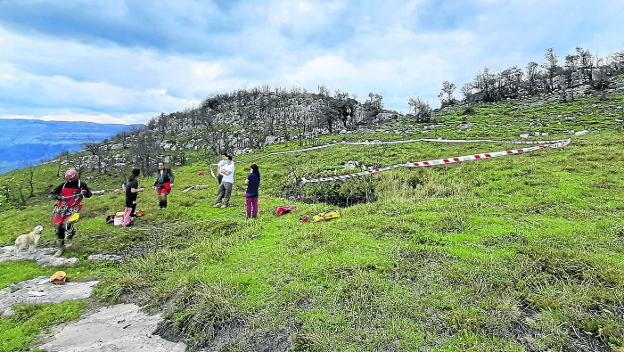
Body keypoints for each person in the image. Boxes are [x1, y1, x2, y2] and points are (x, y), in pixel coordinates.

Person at [49, 168, 92, 256]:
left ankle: (71, 230)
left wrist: (85, 192)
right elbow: (52, 194)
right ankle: (61, 247)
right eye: (68, 179)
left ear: (76, 177)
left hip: (75, 208)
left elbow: (89, 195)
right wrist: (59, 197)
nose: (69, 181)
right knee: (58, 226)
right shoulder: (63, 185)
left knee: (67, 224)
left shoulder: (81, 184)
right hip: (61, 208)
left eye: (71, 179)